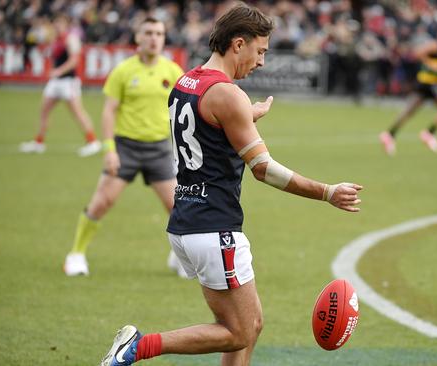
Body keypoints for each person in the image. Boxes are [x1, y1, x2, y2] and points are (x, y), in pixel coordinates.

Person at [99, 4, 362, 366]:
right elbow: (263, 169)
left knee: (250, 325)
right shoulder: (227, 94)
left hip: (187, 222)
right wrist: (326, 192)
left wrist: (245, 116)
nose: (262, 62)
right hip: (214, 226)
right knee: (238, 331)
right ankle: (137, 347)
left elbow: (206, 126)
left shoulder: (185, 81)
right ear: (238, 44)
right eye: (261, 51)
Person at [63, 17, 184, 276]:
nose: (154, 38)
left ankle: (178, 256)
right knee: (102, 202)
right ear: (138, 37)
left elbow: (181, 113)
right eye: (149, 32)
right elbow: (108, 111)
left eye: (159, 33)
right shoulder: (123, 71)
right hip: (126, 147)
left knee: (178, 208)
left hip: (159, 149)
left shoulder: (173, 71)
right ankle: (76, 254)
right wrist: (109, 149)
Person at [19, 14, 101, 156]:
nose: (57, 25)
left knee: (77, 112)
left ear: (66, 24)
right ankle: (39, 143)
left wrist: (58, 71)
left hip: (68, 82)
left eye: (60, 23)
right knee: (44, 110)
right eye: (56, 22)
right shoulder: (55, 38)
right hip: (56, 82)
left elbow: (74, 61)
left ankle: (93, 142)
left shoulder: (71, 39)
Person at [379, 24, 437, 155]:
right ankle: (429, 134)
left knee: (410, 111)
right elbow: (417, 53)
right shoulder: (435, 45)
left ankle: (389, 134)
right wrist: (430, 63)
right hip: (430, 83)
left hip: (430, 82)